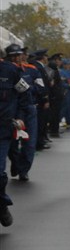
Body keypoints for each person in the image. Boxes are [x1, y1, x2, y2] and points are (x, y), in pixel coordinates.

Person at [6, 44, 38, 182]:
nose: (17, 58)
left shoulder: (31, 70)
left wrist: (29, 90)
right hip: (11, 110)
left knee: (29, 142)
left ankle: (24, 170)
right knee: (11, 143)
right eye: (13, 56)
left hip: (28, 108)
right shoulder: (5, 71)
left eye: (18, 55)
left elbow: (40, 88)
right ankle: (16, 162)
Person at [0, 49, 25, 227]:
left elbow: (25, 94)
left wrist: (20, 116)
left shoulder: (10, 71)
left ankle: (1, 206)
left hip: (2, 129)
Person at [29, 50, 51, 150]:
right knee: (41, 121)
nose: (47, 58)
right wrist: (45, 99)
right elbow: (41, 85)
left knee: (42, 121)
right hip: (39, 99)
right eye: (46, 56)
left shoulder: (39, 67)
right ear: (43, 57)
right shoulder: (38, 68)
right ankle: (39, 142)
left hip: (39, 98)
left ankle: (40, 141)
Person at [47, 52, 65, 138]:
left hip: (57, 95)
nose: (60, 62)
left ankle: (55, 129)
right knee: (54, 113)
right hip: (54, 96)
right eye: (59, 60)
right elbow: (52, 83)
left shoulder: (55, 69)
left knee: (56, 113)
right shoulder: (52, 69)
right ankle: (54, 130)